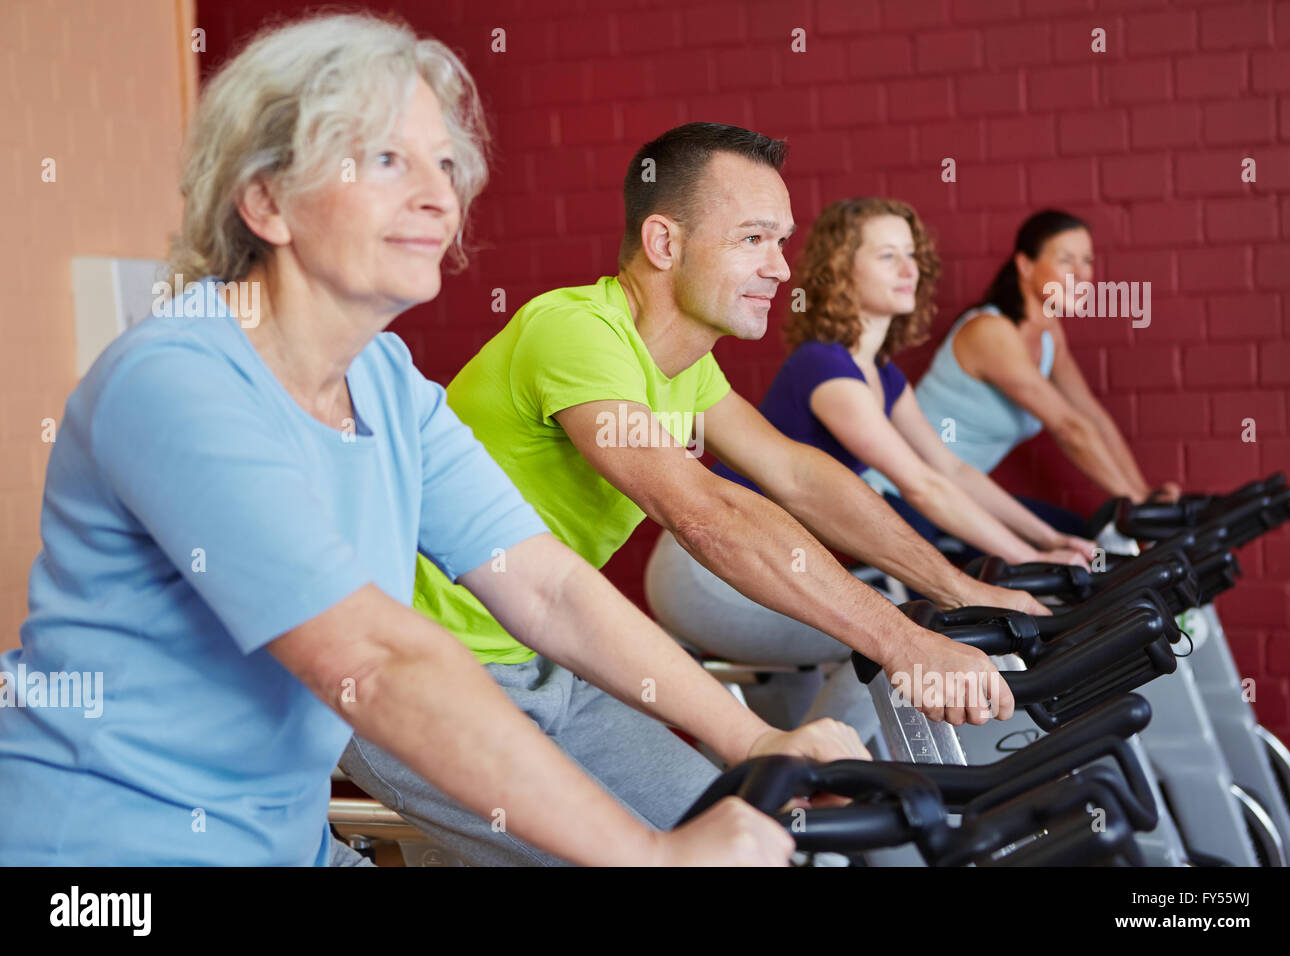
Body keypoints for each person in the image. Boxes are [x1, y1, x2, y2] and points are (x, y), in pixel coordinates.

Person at [0, 13, 831, 867]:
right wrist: (652, 856)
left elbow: (546, 588)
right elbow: (372, 656)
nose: (441, 194)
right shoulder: (176, 380)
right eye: (388, 159)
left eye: (444, 163)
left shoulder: (388, 382)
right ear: (267, 200)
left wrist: (751, 738)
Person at [340, 122, 1045, 866]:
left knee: (760, 851)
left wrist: (957, 592)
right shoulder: (573, 331)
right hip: (418, 674)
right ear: (664, 244)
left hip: (548, 663)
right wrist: (902, 643)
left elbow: (797, 475)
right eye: (753, 239)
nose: (780, 267)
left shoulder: (687, 371)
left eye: (781, 241)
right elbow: (706, 514)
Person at [645, 198, 1095, 686]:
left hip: (772, 565)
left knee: (810, 718)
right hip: (707, 573)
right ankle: (851, 766)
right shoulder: (824, 367)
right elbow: (921, 484)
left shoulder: (883, 374)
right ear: (842, 271)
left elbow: (952, 471)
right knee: (910, 637)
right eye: (887, 256)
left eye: (911, 255)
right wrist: (1024, 559)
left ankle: (827, 761)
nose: (909, 269)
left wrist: (1046, 540)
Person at [912, 210, 1180, 529]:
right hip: (907, 494)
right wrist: (1136, 507)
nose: (1082, 275)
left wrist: (1144, 496)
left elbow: (1090, 416)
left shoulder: (1050, 336)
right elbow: (1068, 427)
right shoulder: (990, 331)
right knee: (1068, 562)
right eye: (1066, 260)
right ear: (1025, 265)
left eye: (1087, 261)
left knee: (1081, 536)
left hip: (959, 495)